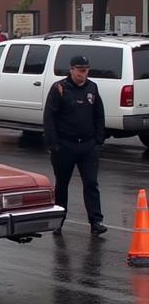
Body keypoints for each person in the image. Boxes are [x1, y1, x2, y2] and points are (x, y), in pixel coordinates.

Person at [43, 54, 107, 236]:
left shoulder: (92, 88)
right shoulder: (60, 88)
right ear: (71, 70)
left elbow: (99, 115)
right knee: (62, 185)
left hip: (87, 146)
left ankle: (96, 222)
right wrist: (53, 144)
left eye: (86, 71)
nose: (83, 74)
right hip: (65, 146)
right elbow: (50, 117)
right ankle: (58, 222)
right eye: (80, 71)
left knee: (91, 183)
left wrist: (98, 139)